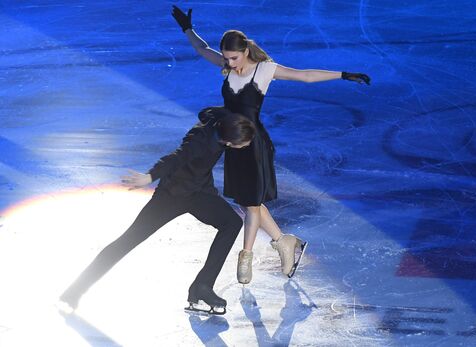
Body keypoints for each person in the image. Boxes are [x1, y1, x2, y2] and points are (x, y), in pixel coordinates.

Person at [171, 6, 371, 284]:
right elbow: (202, 49)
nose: (229, 63)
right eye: (226, 59)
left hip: (254, 145)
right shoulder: (228, 67)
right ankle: (285, 243)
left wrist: (343, 74)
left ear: (246, 52)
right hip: (234, 143)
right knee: (246, 201)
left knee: (251, 205)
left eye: (233, 58)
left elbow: (305, 76)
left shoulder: (264, 70)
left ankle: (246, 256)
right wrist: (187, 28)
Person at [59, 106, 256, 315]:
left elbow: (207, 111)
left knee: (231, 223)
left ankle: (202, 287)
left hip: (200, 193)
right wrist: (149, 177)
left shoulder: (222, 119)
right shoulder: (200, 142)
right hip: (171, 196)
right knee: (128, 240)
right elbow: (175, 158)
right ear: (228, 142)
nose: (247, 145)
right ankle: (75, 290)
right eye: (243, 143)